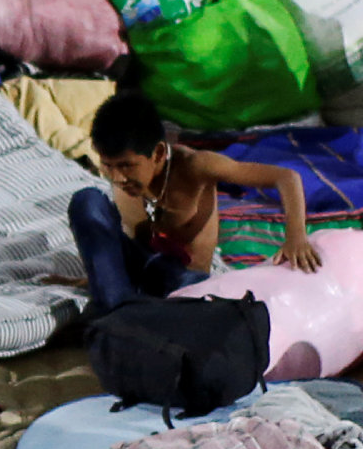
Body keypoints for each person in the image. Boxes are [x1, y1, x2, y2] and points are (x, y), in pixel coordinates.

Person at [71, 90, 323, 306]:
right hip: (136, 274)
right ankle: (114, 306)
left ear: (158, 153)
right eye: (108, 165)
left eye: (126, 166)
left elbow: (286, 177)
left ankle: (123, 311)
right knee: (87, 201)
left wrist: (296, 237)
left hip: (182, 281)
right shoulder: (120, 179)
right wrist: (101, 270)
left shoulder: (196, 166)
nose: (117, 177)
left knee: (195, 289)